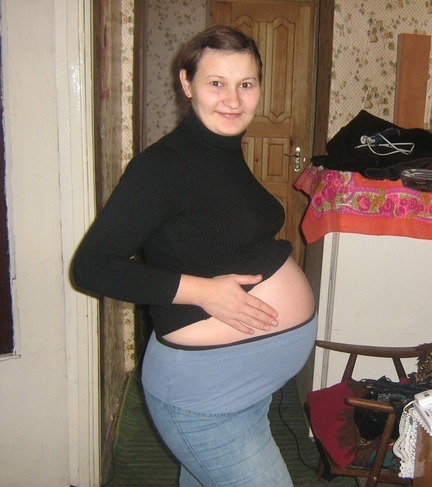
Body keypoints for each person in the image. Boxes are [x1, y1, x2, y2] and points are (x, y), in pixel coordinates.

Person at [72, 25, 316, 487]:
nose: (233, 100)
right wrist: (202, 292)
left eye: (246, 84)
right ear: (187, 84)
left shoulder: (223, 150)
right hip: (203, 398)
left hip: (238, 386)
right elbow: (92, 266)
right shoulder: (162, 167)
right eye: (216, 83)